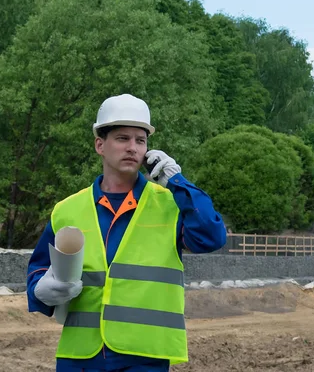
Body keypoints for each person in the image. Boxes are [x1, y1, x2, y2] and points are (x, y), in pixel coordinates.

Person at [26, 94, 227, 371]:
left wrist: (178, 181)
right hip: (80, 357)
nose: (133, 147)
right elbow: (38, 269)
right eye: (122, 138)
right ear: (100, 144)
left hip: (144, 357)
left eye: (140, 140)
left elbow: (212, 237)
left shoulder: (171, 204)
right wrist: (41, 290)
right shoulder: (67, 209)